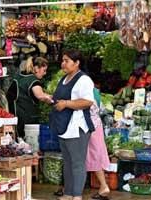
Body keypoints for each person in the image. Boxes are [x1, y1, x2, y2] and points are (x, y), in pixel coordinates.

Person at [49, 49, 95, 200]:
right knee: (67, 162)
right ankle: (68, 193)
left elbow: (88, 101)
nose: (63, 63)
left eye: (66, 61)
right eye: (62, 60)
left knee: (77, 163)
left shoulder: (84, 80)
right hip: (64, 126)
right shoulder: (64, 78)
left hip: (78, 127)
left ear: (77, 63)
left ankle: (77, 195)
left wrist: (67, 104)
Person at [6, 56, 52, 138]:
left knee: (17, 139)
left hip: (13, 112)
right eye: (44, 70)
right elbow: (40, 96)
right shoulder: (33, 80)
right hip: (25, 116)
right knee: (27, 142)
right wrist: (52, 100)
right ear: (37, 68)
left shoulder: (19, 76)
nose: (45, 73)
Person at [86, 75, 110, 200]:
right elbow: (101, 109)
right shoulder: (95, 92)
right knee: (96, 154)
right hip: (97, 125)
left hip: (90, 127)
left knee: (93, 156)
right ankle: (103, 186)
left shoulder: (86, 93)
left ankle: (104, 186)